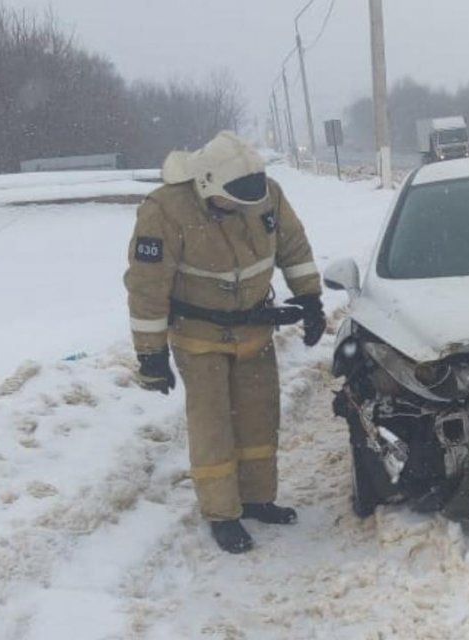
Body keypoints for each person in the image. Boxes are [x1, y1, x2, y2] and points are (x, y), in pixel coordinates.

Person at [124, 131, 326, 554]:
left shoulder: (265, 193)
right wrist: (151, 354)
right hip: (200, 338)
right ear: (208, 184)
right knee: (213, 425)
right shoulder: (166, 210)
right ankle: (221, 513)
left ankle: (256, 498)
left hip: (255, 330)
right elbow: (147, 285)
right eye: (232, 199)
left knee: (258, 417)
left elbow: (293, 245)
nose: (242, 207)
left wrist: (310, 299)